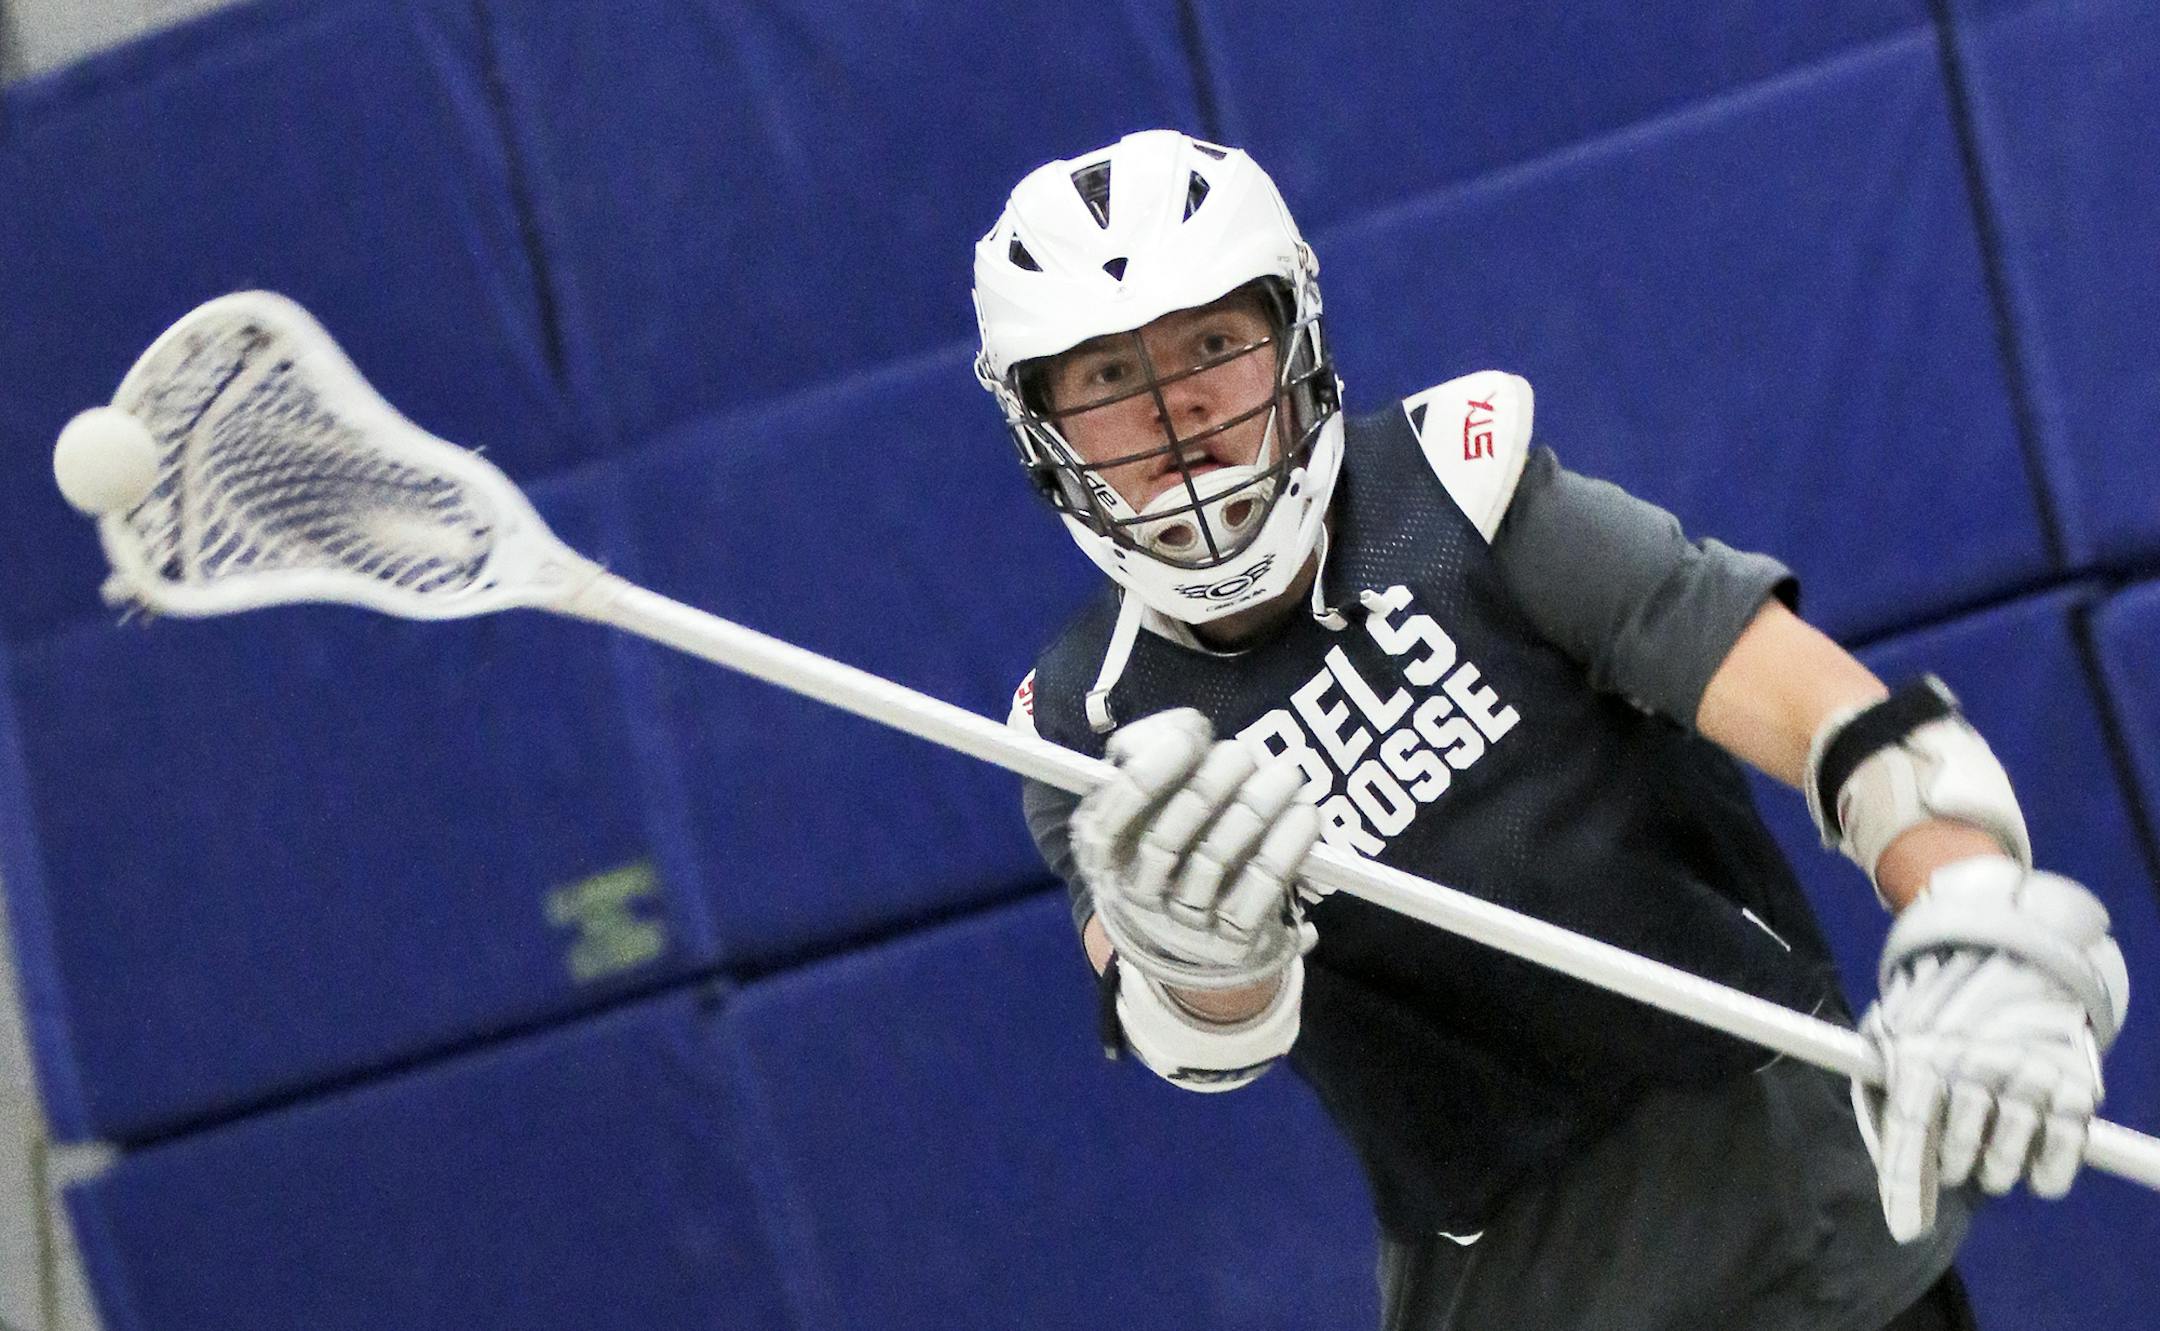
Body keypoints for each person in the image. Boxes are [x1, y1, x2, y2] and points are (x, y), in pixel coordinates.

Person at [973, 130, 2130, 1330]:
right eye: (1109, 376)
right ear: (1041, 424)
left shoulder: (1460, 492)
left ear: (1296, 334)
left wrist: (1973, 915)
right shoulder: (1083, 723)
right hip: (1515, 1287)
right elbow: (1201, 1043)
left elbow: (1844, 725)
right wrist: (1195, 951)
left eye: (1213, 342)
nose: (1179, 410)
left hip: (1805, 1217)